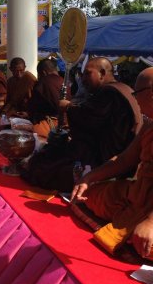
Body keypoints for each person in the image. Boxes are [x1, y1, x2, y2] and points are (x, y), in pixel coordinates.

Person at [24, 57, 142, 192]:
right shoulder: (125, 88)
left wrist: (67, 107)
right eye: (82, 74)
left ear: (102, 73)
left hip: (106, 161)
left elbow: (88, 118)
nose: (83, 79)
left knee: (44, 166)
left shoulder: (109, 92)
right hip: (121, 158)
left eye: (87, 73)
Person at [71, 67, 153, 259]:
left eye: (136, 93)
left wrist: (150, 222)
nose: (135, 99)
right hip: (138, 194)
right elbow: (125, 159)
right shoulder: (150, 124)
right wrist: (89, 178)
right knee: (89, 195)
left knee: (146, 243)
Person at [27, 58, 64, 137]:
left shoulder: (43, 83)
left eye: (39, 75)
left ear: (43, 72)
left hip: (47, 125)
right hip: (65, 123)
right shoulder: (63, 81)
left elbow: (33, 107)